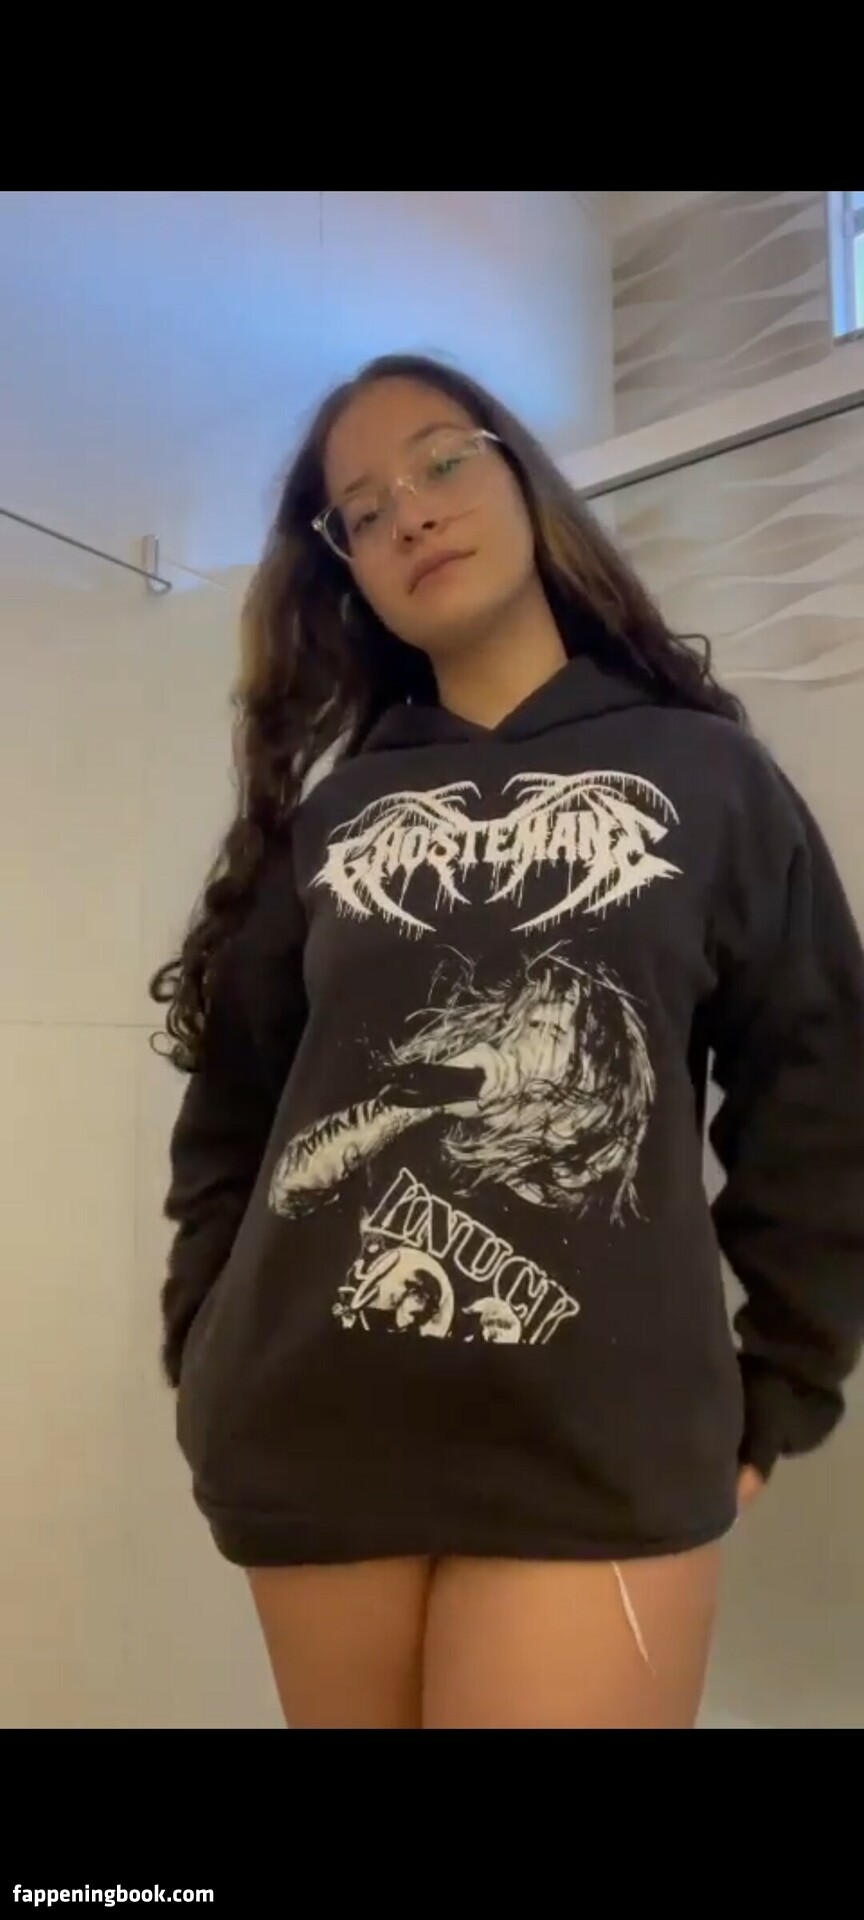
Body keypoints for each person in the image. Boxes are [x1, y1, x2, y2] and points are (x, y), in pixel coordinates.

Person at [152, 352, 864, 1730]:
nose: (410, 512)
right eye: (363, 510)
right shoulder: (337, 814)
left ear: (522, 477)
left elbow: (819, 1088)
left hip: (597, 1444)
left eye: (440, 461)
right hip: (313, 1429)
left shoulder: (708, 775)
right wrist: (205, 1343)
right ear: (346, 568)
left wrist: (786, 1377)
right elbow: (235, 1114)